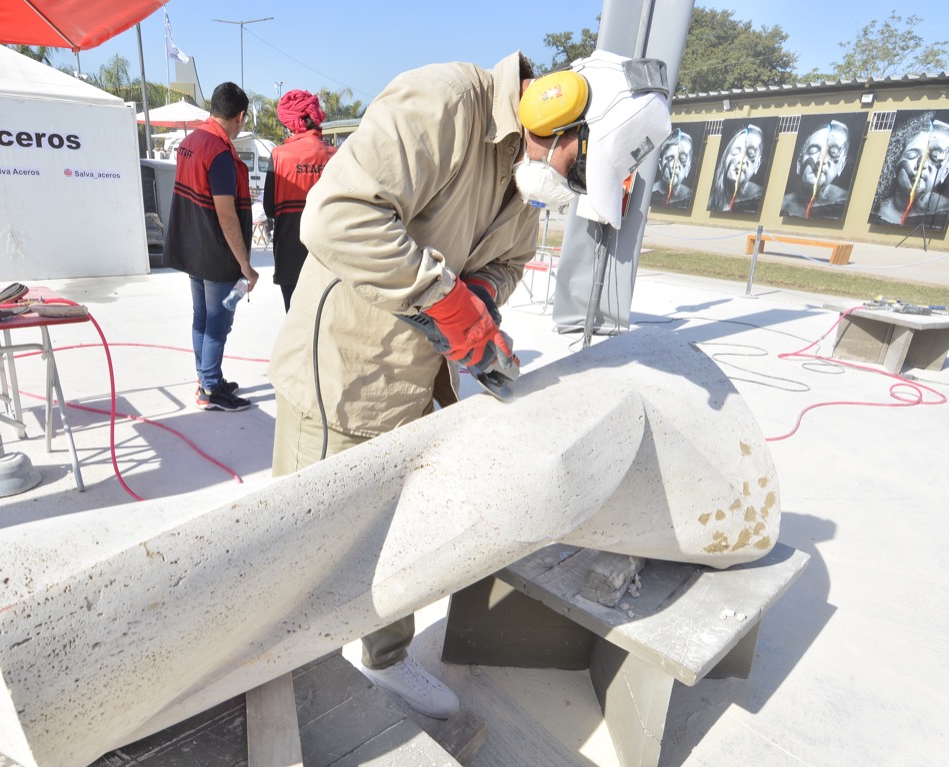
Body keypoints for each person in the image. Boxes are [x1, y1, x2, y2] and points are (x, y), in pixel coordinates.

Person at [267, 50, 670, 718]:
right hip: (345, 368)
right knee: (309, 552)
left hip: (421, 380)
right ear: (559, 114)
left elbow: (512, 259)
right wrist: (446, 299)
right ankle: (290, 693)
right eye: (578, 164)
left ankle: (386, 657)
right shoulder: (445, 106)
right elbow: (336, 216)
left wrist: (482, 295)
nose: (565, 183)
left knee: (396, 534)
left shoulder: (524, 175)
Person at [162, 82, 257, 413]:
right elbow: (226, 213)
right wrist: (245, 264)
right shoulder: (218, 151)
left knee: (202, 317)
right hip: (217, 254)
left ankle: (206, 378)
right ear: (240, 116)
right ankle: (212, 389)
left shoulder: (191, 141)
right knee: (219, 320)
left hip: (193, 249)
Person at [264, 89, 337, 311]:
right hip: (329, 260)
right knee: (326, 327)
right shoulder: (335, 155)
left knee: (295, 326)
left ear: (292, 124)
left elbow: (268, 207)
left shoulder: (278, 156)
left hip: (289, 258)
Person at [871, 117, 949, 227]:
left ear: (946, 171)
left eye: (935, 156)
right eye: (912, 155)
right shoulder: (876, 209)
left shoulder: (946, 211)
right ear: (894, 161)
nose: (922, 164)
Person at [781, 120, 851, 219]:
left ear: (841, 166)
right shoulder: (783, 205)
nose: (821, 160)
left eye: (833, 152)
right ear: (799, 163)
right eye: (813, 150)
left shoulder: (846, 203)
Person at [707, 124, 764, 213]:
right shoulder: (708, 194)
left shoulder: (758, 198)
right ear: (726, 156)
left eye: (751, 154)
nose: (741, 160)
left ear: (757, 165)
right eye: (736, 151)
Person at [652, 129, 694, 207]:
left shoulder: (690, 197)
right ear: (660, 164)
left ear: (688, 169)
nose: (675, 165)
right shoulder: (650, 194)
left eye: (682, 159)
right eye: (670, 158)